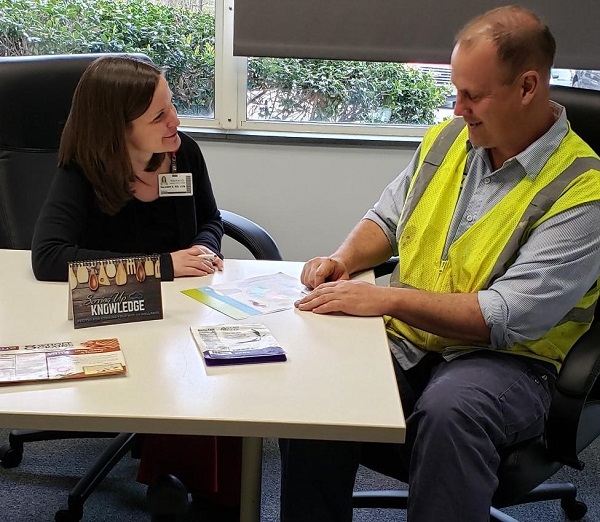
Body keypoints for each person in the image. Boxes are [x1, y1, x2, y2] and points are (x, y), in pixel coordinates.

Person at [279, 5, 600, 522]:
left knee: (452, 411)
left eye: (472, 95)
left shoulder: (584, 190)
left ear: (527, 87)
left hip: (512, 360)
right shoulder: (448, 141)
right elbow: (386, 220)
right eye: (455, 91)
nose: (457, 109)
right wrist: (342, 258)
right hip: (411, 336)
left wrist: (384, 299)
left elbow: (508, 315)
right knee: (323, 383)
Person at [31, 56, 240, 521]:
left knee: (224, 366)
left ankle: (215, 497)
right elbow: (48, 257)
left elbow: (211, 218)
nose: (176, 121)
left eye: (172, 106)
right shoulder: (82, 169)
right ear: (117, 128)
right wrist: (165, 265)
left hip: (182, 305)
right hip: (110, 312)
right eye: (159, 116)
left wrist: (204, 250)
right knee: (186, 377)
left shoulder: (184, 152)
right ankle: (175, 482)